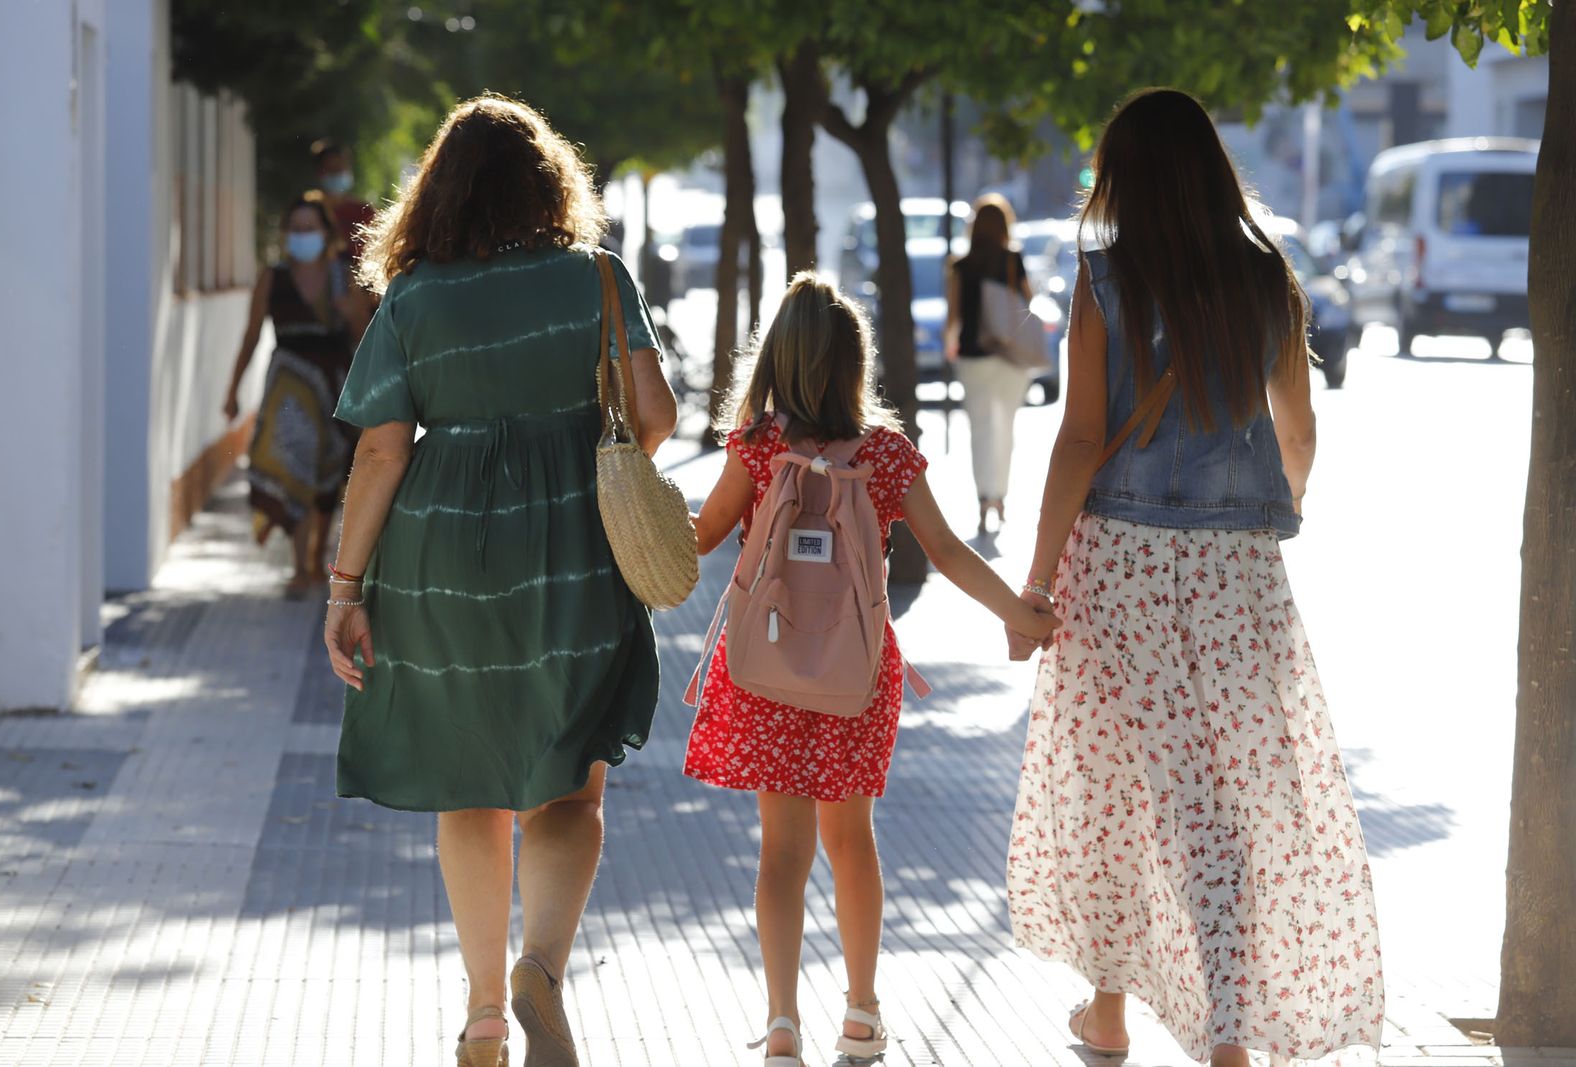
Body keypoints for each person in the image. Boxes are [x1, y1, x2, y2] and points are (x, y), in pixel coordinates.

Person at [1004, 88, 1383, 1066]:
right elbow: (1296, 426)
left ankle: (1131, 1016)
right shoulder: (1268, 278)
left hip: (1120, 559)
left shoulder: (1103, 280)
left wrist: (1035, 583)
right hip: (1234, 570)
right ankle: (1214, 1027)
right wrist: (1281, 505)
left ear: (1128, 175)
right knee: (1227, 798)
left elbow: (1081, 436)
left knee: (1121, 789)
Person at [320, 94, 677, 1067]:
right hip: (575, 552)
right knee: (569, 784)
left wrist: (345, 588)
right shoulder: (596, 278)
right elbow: (656, 414)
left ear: (438, 191)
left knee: (469, 788)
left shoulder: (415, 300)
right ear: (548, 182)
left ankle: (483, 1009)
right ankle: (542, 970)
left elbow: (383, 450)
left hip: (442, 561)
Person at [685, 273, 1059, 1067]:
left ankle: (782, 1022)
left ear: (775, 361)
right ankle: (860, 1013)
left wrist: (632, 524)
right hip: (857, 674)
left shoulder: (756, 448)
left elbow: (700, 538)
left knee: (779, 853)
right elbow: (950, 551)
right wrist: (1019, 614)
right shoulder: (886, 456)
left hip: (766, 668)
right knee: (851, 841)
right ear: (857, 364)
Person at [225, 191, 372, 592]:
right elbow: (251, 335)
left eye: (310, 228)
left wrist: (349, 311)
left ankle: (315, 556)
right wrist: (232, 389)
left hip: (336, 383)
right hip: (288, 387)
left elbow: (364, 333)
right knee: (296, 464)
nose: (302, 235)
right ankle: (299, 566)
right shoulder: (273, 277)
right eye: (295, 229)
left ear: (326, 233)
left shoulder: (344, 274)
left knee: (330, 471)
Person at [943, 192, 1034, 535]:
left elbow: (953, 317)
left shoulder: (961, 266)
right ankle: (1001, 497)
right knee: (1006, 429)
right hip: (1010, 358)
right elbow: (1029, 303)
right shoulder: (1013, 259)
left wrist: (950, 344)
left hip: (973, 357)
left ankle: (984, 499)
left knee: (980, 431)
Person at [312, 138, 377, 260]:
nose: (338, 173)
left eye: (341, 168)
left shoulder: (364, 212)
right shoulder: (309, 211)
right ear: (320, 172)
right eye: (332, 169)